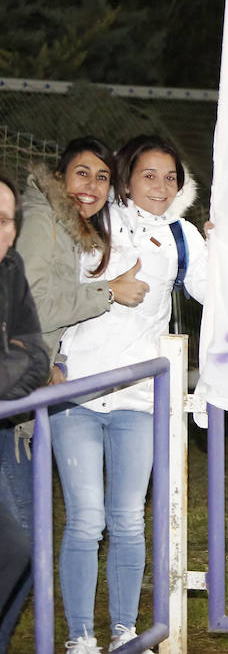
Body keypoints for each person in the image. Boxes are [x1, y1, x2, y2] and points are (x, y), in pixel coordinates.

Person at [51, 135, 206, 653]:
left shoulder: (184, 238)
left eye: (171, 177)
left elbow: (220, 291)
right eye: (148, 175)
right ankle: (78, 637)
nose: (160, 186)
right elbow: (49, 288)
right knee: (86, 519)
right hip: (76, 392)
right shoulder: (93, 218)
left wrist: (225, 242)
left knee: (127, 520)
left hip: (140, 398)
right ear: (126, 177)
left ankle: (123, 631)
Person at [3, 139, 148, 653]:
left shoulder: (71, 227)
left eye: (102, 177)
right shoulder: (44, 218)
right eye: (81, 174)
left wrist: (56, 361)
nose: (91, 186)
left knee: (21, 543)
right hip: (9, 398)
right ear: (60, 178)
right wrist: (109, 294)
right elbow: (39, 300)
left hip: (25, 389)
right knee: (21, 544)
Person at [0, 171, 53, 654]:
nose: (2, 231)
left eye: (7, 220)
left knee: (19, 553)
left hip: (5, 425)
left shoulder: (10, 266)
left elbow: (35, 357)